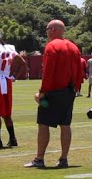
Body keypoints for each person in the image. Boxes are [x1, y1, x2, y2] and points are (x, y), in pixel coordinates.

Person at [24, 19, 83, 168]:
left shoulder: (51, 46)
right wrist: (75, 88)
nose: (46, 32)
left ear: (53, 30)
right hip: (69, 91)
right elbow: (80, 69)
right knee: (65, 124)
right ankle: (63, 159)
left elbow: (48, 72)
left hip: (53, 91)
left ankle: (39, 158)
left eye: (47, 29)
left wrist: (42, 92)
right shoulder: (74, 47)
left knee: (43, 124)